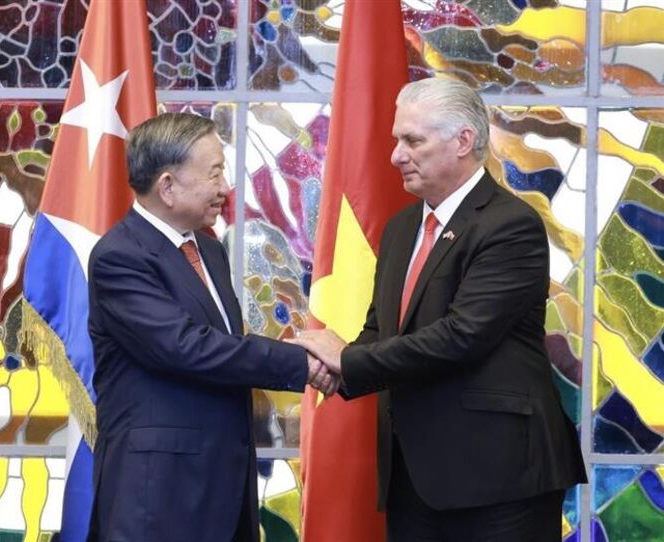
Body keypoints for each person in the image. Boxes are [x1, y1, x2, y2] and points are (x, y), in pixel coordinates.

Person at [290, 78, 587, 542]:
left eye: (413, 141)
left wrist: (346, 360)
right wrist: (331, 369)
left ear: (463, 141)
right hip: (413, 477)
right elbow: (381, 329)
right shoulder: (401, 227)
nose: (396, 155)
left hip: (497, 476)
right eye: (396, 140)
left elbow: (463, 335)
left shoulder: (510, 225)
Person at [86, 112, 337, 542]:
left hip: (224, 485)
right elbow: (188, 347)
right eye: (215, 173)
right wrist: (304, 362)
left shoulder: (207, 249)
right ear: (167, 186)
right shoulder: (121, 256)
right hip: (159, 494)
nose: (225, 187)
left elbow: (226, 346)